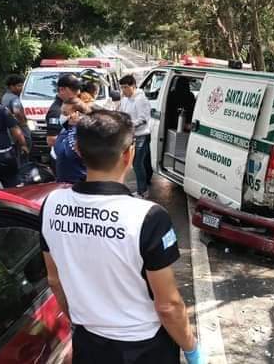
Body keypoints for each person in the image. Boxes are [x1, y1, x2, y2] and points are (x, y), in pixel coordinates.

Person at [40, 110, 204, 364]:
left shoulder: (51, 204)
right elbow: (168, 306)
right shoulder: (147, 216)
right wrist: (192, 349)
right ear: (128, 154)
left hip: (89, 344)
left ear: (79, 152)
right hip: (144, 349)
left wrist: (81, 323)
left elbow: (54, 279)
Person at [118, 74, 152, 198]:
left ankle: (142, 191)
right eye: (122, 88)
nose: (124, 90)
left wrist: (129, 125)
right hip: (131, 134)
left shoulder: (140, 99)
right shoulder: (125, 99)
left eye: (126, 87)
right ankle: (146, 182)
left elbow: (144, 119)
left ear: (133, 86)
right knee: (145, 161)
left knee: (137, 164)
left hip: (141, 135)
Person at [53, 98, 91, 183]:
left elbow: (72, 153)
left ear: (78, 114)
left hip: (79, 184)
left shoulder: (84, 133)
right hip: (63, 183)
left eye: (65, 113)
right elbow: (57, 150)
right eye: (62, 113)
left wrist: (74, 128)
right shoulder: (66, 129)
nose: (62, 116)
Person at [1, 74, 32, 163]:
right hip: (19, 131)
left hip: (10, 133)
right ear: (11, 86)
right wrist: (24, 124)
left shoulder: (5, 97)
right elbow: (18, 113)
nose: (21, 88)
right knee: (24, 156)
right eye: (19, 86)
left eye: (22, 85)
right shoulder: (14, 99)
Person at [46, 73, 82, 148]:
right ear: (62, 89)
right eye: (74, 90)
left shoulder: (72, 105)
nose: (78, 92)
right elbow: (51, 140)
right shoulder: (56, 111)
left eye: (78, 89)